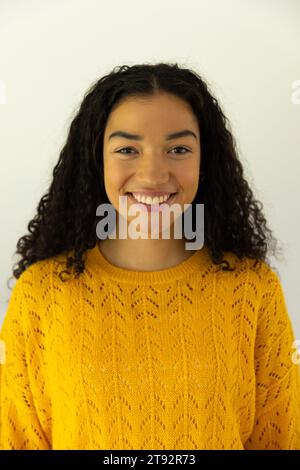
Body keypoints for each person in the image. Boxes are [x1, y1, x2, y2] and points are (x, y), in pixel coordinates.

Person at [1, 63, 299, 450]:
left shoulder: (253, 290)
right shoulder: (41, 295)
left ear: (204, 162)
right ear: (97, 159)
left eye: (178, 149)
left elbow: (282, 438)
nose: (154, 174)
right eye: (127, 149)